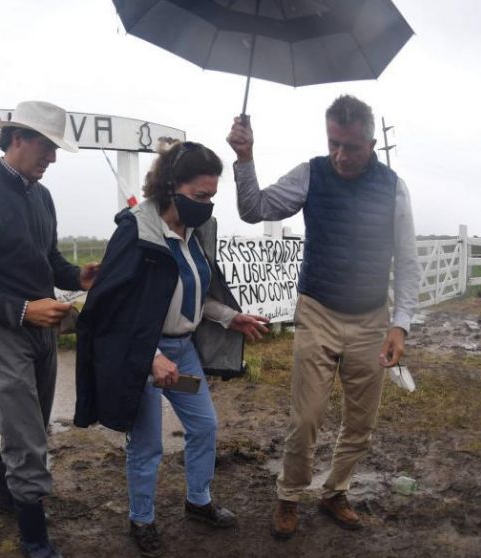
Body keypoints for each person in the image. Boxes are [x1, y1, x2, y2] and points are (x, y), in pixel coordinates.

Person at [227, 94, 422, 539]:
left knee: (361, 421)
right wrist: (244, 158)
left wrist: (400, 324)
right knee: (307, 415)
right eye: (333, 142)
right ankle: (289, 495)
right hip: (317, 311)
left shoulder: (394, 188)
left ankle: (336, 491)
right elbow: (254, 208)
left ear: (371, 143)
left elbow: (407, 260)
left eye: (351, 146)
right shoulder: (311, 174)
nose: (340, 155)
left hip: (372, 319)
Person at [74, 141, 270, 557]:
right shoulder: (137, 234)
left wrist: (228, 317)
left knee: (204, 427)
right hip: (145, 361)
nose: (207, 205)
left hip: (181, 356)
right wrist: (150, 358)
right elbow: (110, 312)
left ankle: (198, 501)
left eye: (212, 197)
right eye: (200, 196)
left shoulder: (194, 234)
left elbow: (195, 295)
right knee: (147, 446)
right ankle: (141, 519)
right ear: (170, 187)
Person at [0, 100, 97, 558]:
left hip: (41, 331)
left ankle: (10, 492)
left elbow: (46, 260)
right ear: (17, 139)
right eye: (47, 147)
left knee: (32, 426)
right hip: (1, 332)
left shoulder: (40, 195)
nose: (52, 158)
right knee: (28, 437)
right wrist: (22, 309)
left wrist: (76, 277)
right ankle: (35, 541)